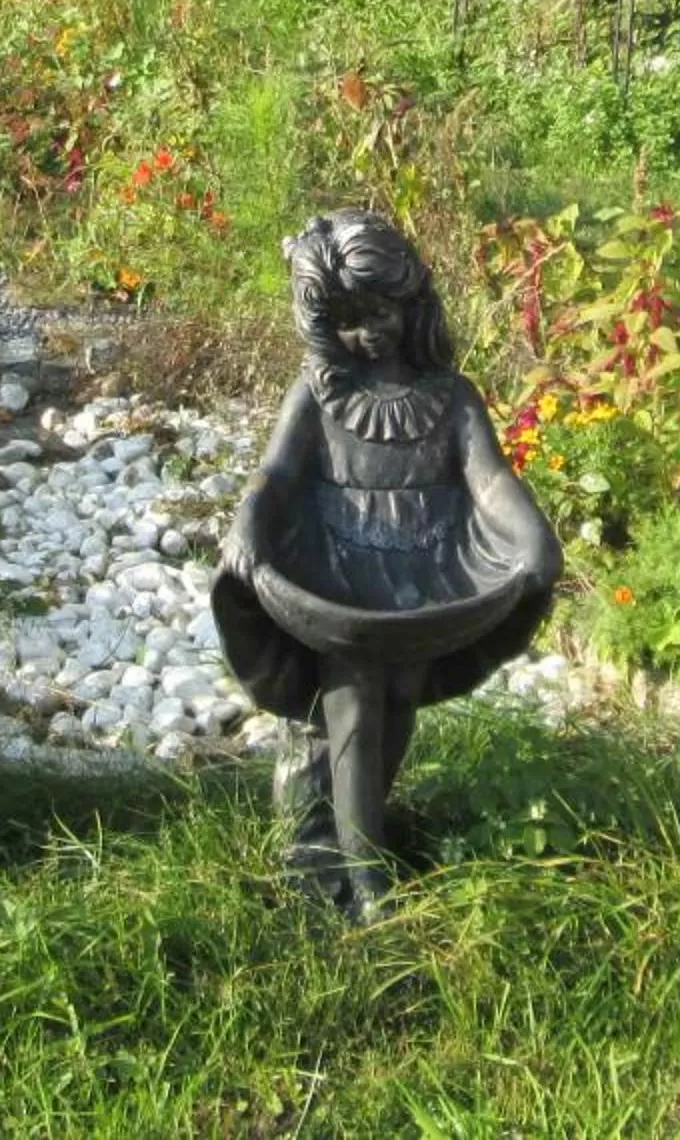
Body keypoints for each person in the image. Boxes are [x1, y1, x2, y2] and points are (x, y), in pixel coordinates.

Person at [213, 209, 561, 919]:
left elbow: (490, 481)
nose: (366, 331)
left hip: (423, 576)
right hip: (335, 579)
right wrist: (247, 526)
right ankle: (365, 884)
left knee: (398, 701)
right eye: (345, 318)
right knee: (349, 711)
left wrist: (532, 541)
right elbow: (276, 476)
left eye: (379, 311)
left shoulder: (452, 399)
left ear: (410, 302)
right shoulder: (318, 394)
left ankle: (357, 837)